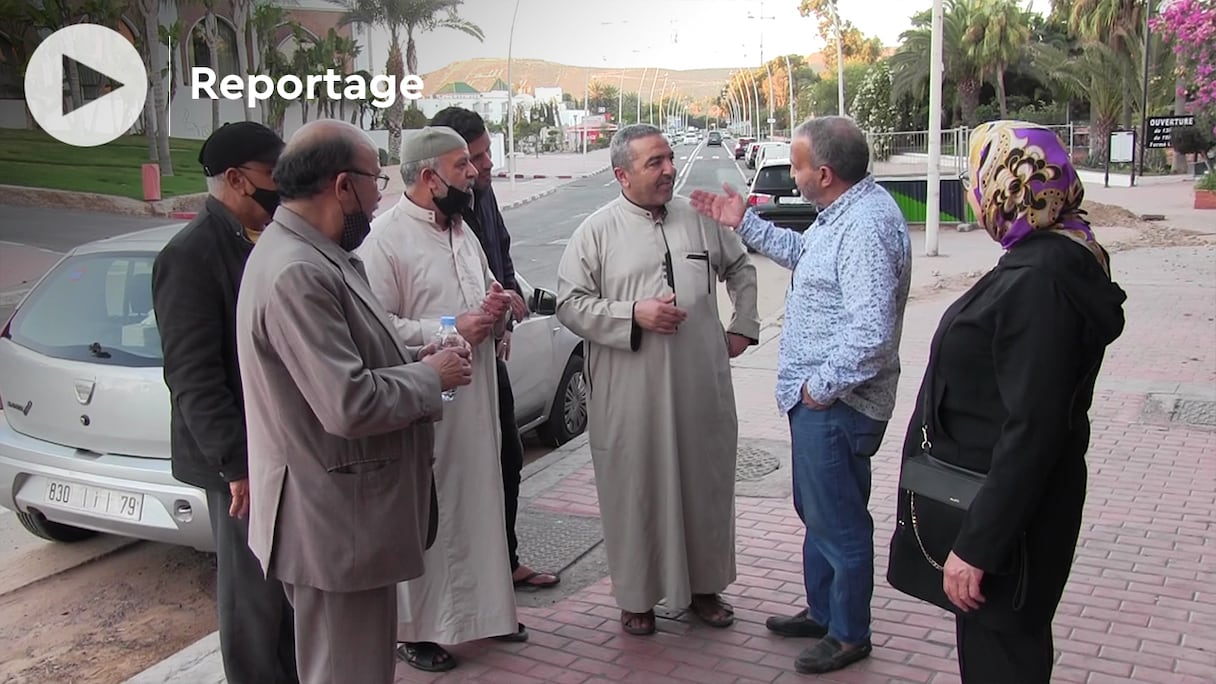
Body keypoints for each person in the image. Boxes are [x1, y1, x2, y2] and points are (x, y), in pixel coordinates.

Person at [886, 121, 1126, 683]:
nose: (974, 191)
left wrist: (978, 547)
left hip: (1008, 525)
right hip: (1012, 511)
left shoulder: (1041, 278)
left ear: (1008, 185)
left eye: (979, 177)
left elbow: (1035, 426)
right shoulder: (1055, 253)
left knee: (1003, 662)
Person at [234, 119, 473, 684]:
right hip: (336, 524)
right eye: (376, 181)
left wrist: (413, 356)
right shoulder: (297, 270)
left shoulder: (315, 254)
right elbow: (347, 402)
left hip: (345, 520)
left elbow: (346, 364)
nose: (379, 196)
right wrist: (428, 376)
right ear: (343, 186)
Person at [690, 115, 911, 674]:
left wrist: (820, 388)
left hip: (838, 404)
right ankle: (823, 610)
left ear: (826, 173)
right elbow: (807, 257)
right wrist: (747, 223)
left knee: (838, 520)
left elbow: (872, 332)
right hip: (820, 401)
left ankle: (847, 633)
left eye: (797, 164)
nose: (793, 172)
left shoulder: (864, 228)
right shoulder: (843, 213)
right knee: (818, 511)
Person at [556, 123, 760, 637]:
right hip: (631, 394)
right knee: (635, 491)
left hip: (699, 386)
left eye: (669, 159)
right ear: (622, 174)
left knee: (704, 486)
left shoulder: (698, 219)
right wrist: (632, 315)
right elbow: (569, 304)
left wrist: (743, 327)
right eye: (655, 163)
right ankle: (637, 598)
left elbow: (741, 269)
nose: (669, 169)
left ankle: (705, 589)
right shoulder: (596, 232)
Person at [357, 126, 520, 672]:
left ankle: (481, 616)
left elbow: (480, 293)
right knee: (433, 514)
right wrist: (454, 325)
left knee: (478, 504)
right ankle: (419, 630)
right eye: (461, 166)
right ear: (428, 177)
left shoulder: (463, 231)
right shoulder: (385, 241)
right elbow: (378, 329)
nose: (474, 173)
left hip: (475, 402)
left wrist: (496, 305)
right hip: (428, 403)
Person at [151, 121, 299, 684]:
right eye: (273, 177)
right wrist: (236, 465)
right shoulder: (190, 255)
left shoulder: (261, 239)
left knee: (283, 590)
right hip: (237, 463)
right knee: (252, 597)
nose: (281, 190)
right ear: (237, 180)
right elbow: (192, 376)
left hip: (276, 447)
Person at [427, 106, 560, 591]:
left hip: (488, 364)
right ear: (436, 168)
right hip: (438, 378)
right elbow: (397, 322)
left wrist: (506, 301)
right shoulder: (397, 236)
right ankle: (451, 592)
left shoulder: (478, 203)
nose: (483, 168)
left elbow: (499, 260)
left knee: (505, 461)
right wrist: (451, 328)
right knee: (450, 483)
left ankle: (503, 566)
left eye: (482, 157)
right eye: (471, 160)